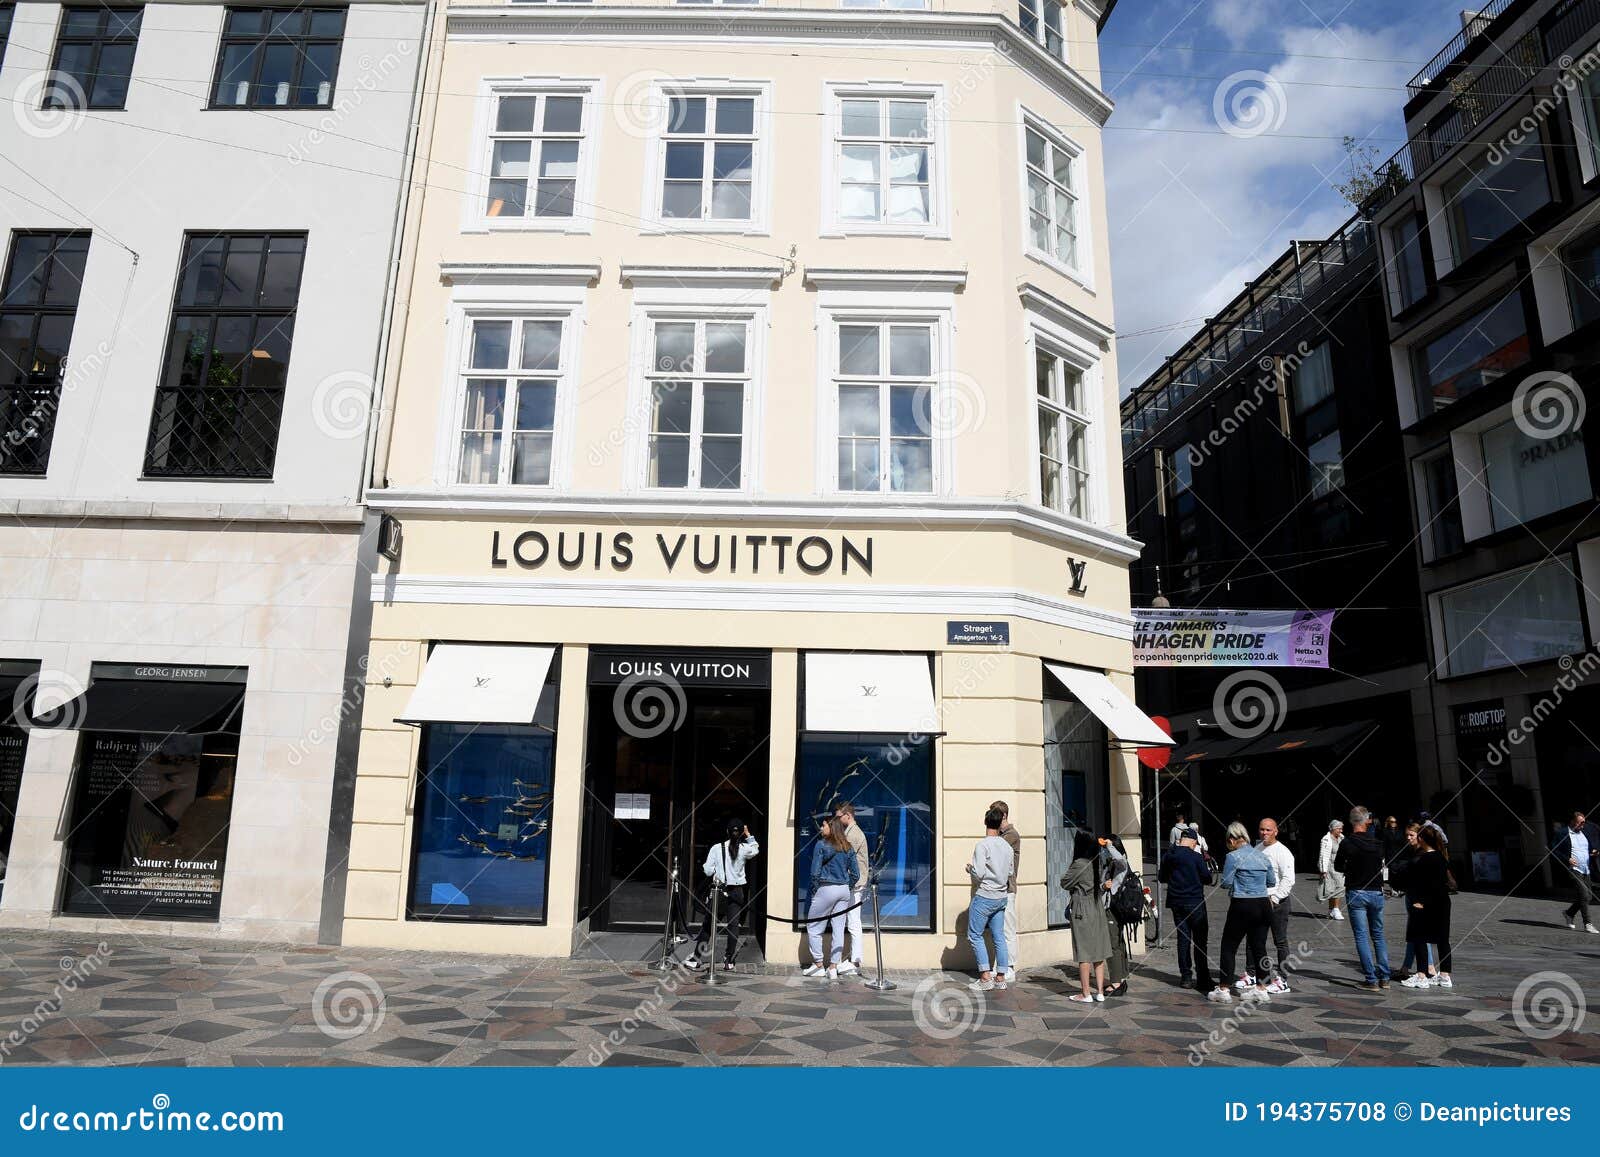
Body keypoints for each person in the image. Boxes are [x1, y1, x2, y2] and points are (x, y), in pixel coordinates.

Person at [1209, 821, 1276, 1004]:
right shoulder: (1262, 856)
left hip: (1242, 904)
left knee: (1229, 946)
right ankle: (1261, 988)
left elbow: (1226, 883)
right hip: (1263, 904)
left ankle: (1223, 989)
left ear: (1231, 839)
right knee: (1259, 947)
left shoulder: (1233, 857)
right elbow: (1271, 881)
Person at [685, 820, 759, 972]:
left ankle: (696, 958)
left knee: (708, 925)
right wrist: (749, 834)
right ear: (741, 833)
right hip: (737, 891)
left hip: (720, 891)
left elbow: (707, 871)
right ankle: (729, 960)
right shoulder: (745, 849)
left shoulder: (717, 848)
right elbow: (756, 849)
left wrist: (712, 868)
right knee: (733, 926)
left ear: (727, 832)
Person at [1334, 806, 1391, 991]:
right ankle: (1385, 977)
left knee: (1361, 936)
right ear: (1367, 821)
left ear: (1351, 822)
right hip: (1376, 892)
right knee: (1379, 936)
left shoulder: (1347, 843)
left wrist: (1351, 868)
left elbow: (1338, 866)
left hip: (1356, 891)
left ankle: (1371, 979)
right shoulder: (1377, 843)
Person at [802, 815, 859, 979]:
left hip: (826, 888)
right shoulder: (848, 846)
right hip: (843, 891)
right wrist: (846, 887)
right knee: (839, 929)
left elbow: (814, 873)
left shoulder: (821, 845)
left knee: (813, 927)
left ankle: (819, 965)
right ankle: (833, 967)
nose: (821, 828)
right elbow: (855, 874)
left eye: (823, 825)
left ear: (831, 827)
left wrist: (816, 890)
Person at [965, 806, 1015, 992]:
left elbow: (978, 874)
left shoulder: (983, 845)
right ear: (1000, 823)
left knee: (975, 935)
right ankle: (1000, 977)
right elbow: (1010, 872)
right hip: (1001, 896)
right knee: (999, 937)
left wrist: (970, 869)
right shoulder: (1007, 847)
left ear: (985, 822)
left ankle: (985, 977)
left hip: (985, 896)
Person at [1398, 825, 1453, 989]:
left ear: (1421, 839)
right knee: (1443, 939)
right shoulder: (1441, 857)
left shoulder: (1423, 860)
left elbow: (1420, 884)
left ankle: (1421, 976)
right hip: (1443, 902)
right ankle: (1445, 976)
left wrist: (1419, 901)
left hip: (1424, 902)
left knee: (1419, 937)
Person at [1159, 826, 1213, 991]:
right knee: (1200, 941)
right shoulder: (1196, 857)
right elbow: (1207, 878)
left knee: (1183, 940)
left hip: (1176, 902)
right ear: (1194, 841)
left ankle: (1186, 977)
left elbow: (1162, 878)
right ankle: (1203, 978)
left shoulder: (1168, 856)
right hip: (1195, 901)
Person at [1061, 830, 1112, 1003]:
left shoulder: (1079, 863)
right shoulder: (1097, 861)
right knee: (1098, 952)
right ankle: (1099, 992)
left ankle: (1085, 993)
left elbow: (1064, 882)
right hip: (1097, 906)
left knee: (1083, 952)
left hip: (1082, 908)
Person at [1255, 817, 1295, 993]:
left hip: (1278, 902)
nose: (1264, 833)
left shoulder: (1283, 852)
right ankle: (1255, 976)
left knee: (1280, 941)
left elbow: (1288, 879)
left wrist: (1276, 899)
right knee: (1256, 940)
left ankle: (1282, 980)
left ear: (1276, 831)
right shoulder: (1257, 849)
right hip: (1260, 901)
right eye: (1262, 829)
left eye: (1268, 830)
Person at [832, 802, 871, 975]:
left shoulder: (854, 834)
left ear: (848, 815)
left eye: (840, 816)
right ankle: (852, 959)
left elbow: (844, 858)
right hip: (853, 883)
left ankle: (855, 961)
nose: (838, 820)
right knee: (851, 920)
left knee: (854, 921)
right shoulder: (850, 832)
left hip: (855, 883)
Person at [1391, 823, 1431, 981]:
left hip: (1418, 897)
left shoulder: (1422, 853)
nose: (1408, 838)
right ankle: (1407, 967)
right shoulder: (1413, 851)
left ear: (1419, 836)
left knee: (1418, 933)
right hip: (1412, 895)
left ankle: (1429, 967)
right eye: (1407, 835)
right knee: (1414, 934)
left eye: (1411, 835)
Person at [1553, 810, 1600, 934]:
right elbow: (1553, 849)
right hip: (1573, 869)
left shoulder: (1583, 833)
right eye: (1580, 823)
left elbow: (1588, 848)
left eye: (1583, 823)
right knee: (1584, 895)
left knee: (1588, 897)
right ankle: (1588, 924)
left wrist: (1594, 852)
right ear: (1573, 821)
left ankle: (1569, 913)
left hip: (1586, 869)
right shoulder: (1563, 833)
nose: (1582, 826)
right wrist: (1567, 859)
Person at [991, 799, 1021, 984]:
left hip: (1008, 889)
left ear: (1003, 816)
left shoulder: (1011, 835)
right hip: (998, 888)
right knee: (998, 929)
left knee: (1008, 928)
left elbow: (994, 849)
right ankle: (1001, 965)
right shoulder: (1001, 835)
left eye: (994, 815)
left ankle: (1010, 967)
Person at [1100, 834, 1132, 997]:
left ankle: (1116, 982)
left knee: (1113, 945)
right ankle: (1122, 977)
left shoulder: (1121, 863)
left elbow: (1120, 860)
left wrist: (1109, 846)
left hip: (1114, 908)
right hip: (1115, 907)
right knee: (1119, 943)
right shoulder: (1112, 864)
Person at [1317, 820, 1346, 920]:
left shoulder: (1342, 838)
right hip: (1329, 867)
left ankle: (1333, 910)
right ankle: (1335, 910)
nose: (1341, 830)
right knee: (1331, 889)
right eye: (1339, 828)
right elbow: (1323, 855)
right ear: (1333, 828)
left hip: (1339, 866)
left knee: (1340, 886)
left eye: (1341, 828)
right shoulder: (1326, 839)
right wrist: (1323, 870)